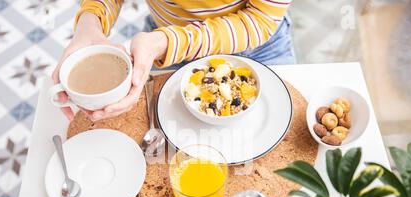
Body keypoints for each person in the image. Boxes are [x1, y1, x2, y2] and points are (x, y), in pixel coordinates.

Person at [53, 0, 294, 121]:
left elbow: (259, 19)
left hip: (260, 49)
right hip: (164, 45)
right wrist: (89, 21)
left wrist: (166, 42)